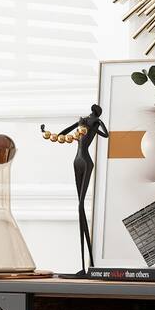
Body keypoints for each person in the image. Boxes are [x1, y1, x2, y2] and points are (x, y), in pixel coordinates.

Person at [41, 105, 109, 275]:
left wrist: (94, 127)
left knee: (80, 207)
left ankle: (90, 265)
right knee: (79, 208)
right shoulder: (83, 121)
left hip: (86, 161)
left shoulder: (94, 122)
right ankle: (84, 266)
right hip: (77, 160)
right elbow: (63, 134)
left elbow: (106, 135)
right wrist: (46, 132)